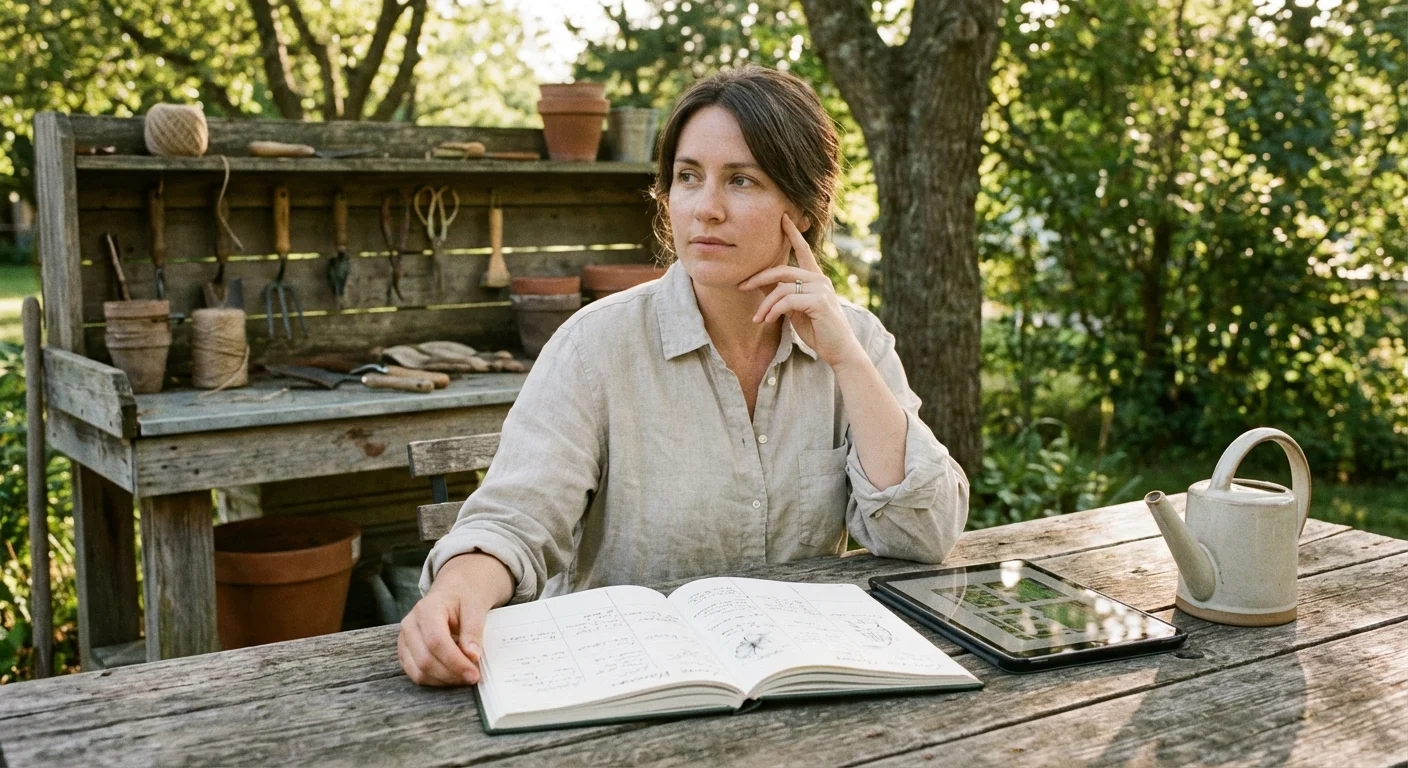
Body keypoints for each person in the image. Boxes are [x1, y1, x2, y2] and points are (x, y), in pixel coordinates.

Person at [397, 66, 970, 687]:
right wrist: (454, 595)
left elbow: (924, 532)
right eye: (688, 177)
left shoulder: (855, 341)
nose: (706, 209)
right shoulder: (595, 347)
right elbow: (512, 522)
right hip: (629, 691)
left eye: (741, 180)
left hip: (804, 688)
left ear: (803, 210)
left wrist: (847, 363)